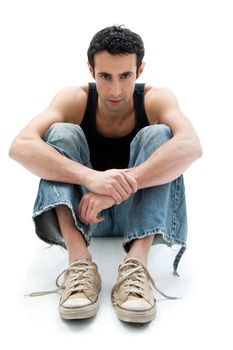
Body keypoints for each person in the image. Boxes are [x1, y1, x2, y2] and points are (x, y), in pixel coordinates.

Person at [9, 25, 202, 323]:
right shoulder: (73, 99)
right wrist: (91, 179)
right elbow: (20, 146)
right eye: (105, 77)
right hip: (82, 214)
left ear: (140, 70)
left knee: (162, 135)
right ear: (91, 70)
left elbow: (191, 146)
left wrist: (115, 189)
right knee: (59, 133)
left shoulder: (156, 99)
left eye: (125, 76)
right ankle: (79, 264)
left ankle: (137, 265)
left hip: (141, 216)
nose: (115, 90)